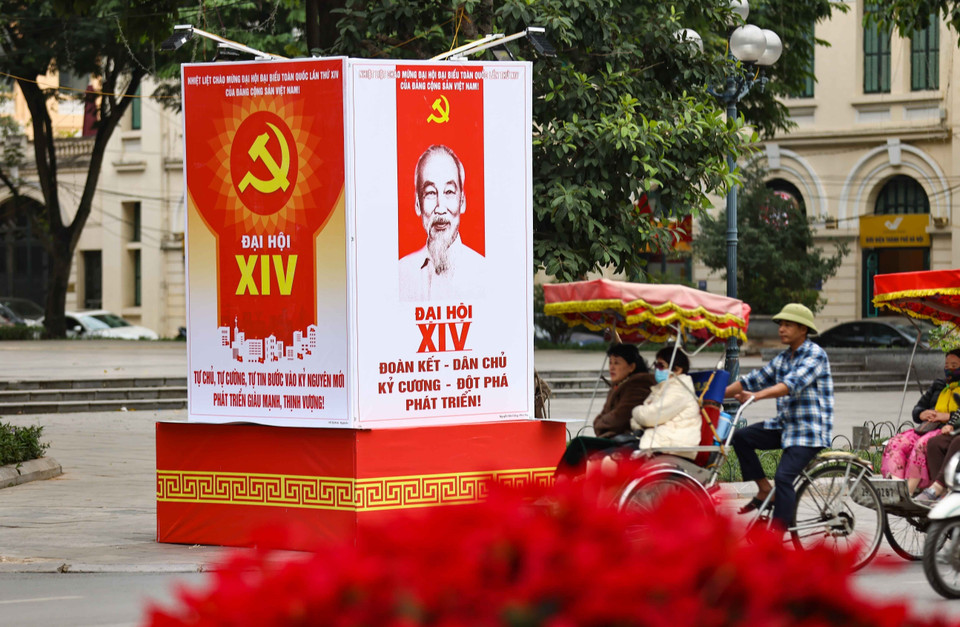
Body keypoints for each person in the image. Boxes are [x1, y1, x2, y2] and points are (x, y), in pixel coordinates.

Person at [725, 303, 834, 530]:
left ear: (803, 329)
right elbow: (752, 379)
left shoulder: (816, 355)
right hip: (785, 426)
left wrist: (755, 396)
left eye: (787, 325)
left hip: (809, 432)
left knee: (784, 478)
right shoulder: (783, 358)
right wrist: (715, 394)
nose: (781, 329)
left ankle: (776, 538)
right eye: (780, 325)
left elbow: (789, 385)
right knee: (741, 436)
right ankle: (765, 489)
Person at [398, 144, 484, 301]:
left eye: (449, 192)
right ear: (418, 204)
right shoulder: (400, 273)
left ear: (462, 201)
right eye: (430, 193)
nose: (440, 208)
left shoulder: (484, 271)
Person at [554, 342, 654, 476]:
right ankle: (562, 486)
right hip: (615, 437)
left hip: (628, 440)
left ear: (631, 367)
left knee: (580, 444)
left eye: (617, 363)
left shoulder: (638, 385)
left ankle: (561, 486)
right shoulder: (620, 385)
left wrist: (601, 423)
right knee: (580, 445)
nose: (612, 367)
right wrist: (601, 422)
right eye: (610, 363)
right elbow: (603, 417)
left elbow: (619, 418)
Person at [880, 349, 960, 496]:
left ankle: (908, 493)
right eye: (947, 365)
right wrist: (923, 413)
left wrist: (947, 416)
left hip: (943, 430)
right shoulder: (939, 385)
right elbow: (917, 409)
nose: (949, 369)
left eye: (954, 365)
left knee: (921, 445)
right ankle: (898, 487)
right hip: (926, 427)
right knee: (896, 442)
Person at [629, 348, 701, 460]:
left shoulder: (679, 391)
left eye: (661, 366)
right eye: (656, 365)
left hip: (672, 445)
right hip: (657, 440)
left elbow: (648, 417)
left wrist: (635, 411)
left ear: (677, 370)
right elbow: (638, 420)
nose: (657, 369)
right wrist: (641, 419)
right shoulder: (662, 388)